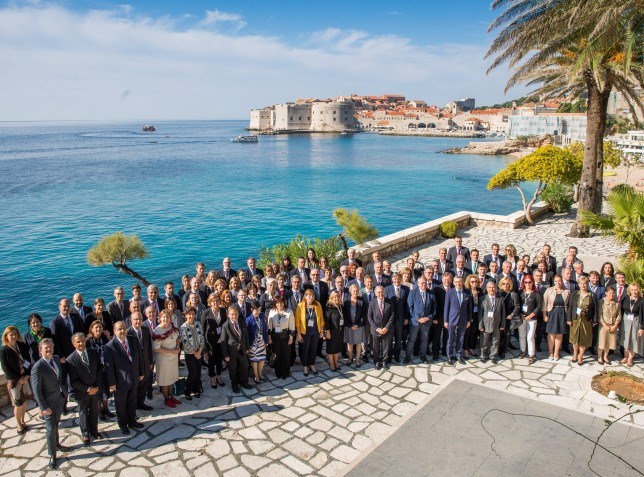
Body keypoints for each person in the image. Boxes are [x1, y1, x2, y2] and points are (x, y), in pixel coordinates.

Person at [31, 338, 70, 469]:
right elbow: (36, 391)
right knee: (50, 428)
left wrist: (64, 394)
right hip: (48, 403)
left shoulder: (56, 358)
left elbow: (59, 378)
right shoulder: (37, 367)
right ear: (40, 350)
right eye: (46, 348)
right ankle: (52, 455)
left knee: (56, 424)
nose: (49, 349)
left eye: (50, 347)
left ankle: (57, 444)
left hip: (59, 398)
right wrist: (43, 407)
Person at [103, 321, 145, 435]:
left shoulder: (133, 339)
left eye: (123, 328)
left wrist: (141, 372)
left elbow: (140, 357)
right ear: (114, 331)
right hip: (120, 381)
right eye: (119, 329)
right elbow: (109, 367)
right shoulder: (109, 346)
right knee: (121, 404)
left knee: (132, 401)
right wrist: (112, 383)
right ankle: (123, 424)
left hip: (134, 377)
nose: (122, 331)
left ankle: (132, 421)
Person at [66, 332, 101, 446]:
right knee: (83, 412)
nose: (81, 343)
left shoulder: (93, 352)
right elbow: (73, 380)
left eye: (82, 341)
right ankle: (85, 434)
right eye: (78, 342)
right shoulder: (70, 360)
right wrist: (87, 389)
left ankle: (94, 430)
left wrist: (95, 386)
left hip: (95, 388)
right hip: (82, 391)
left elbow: (99, 369)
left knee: (94, 410)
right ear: (73, 344)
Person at [50, 297, 83, 410]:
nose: (66, 308)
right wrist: (60, 356)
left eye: (68, 306)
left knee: (77, 377)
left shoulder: (75, 317)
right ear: (59, 307)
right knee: (63, 381)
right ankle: (63, 406)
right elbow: (55, 341)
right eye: (64, 306)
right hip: (64, 356)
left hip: (77, 353)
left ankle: (79, 398)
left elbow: (81, 332)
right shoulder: (55, 322)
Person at [0, 326, 32, 435]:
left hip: (24, 378)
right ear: (6, 336)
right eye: (11, 334)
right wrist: (20, 378)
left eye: (15, 334)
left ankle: (23, 421)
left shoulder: (21, 345)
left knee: (25, 401)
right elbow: (5, 368)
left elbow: (27, 360)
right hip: (14, 381)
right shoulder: (4, 350)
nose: (13, 336)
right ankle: (18, 425)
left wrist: (27, 375)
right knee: (18, 404)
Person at [152, 310, 182, 408]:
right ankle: (166, 399)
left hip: (173, 357)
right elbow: (156, 348)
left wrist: (177, 344)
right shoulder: (157, 331)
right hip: (163, 358)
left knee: (172, 378)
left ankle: (171, 396)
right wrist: (171, 351)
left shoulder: (172, 326)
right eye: (163, 317)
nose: (166, 319)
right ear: (160, 318)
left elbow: (176, 337)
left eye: (167, 317)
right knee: (165, 380)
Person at [85, 320, 113, 421]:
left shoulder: (104, 337)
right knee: (97, 392)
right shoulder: (88, 341)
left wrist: (109, 337)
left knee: (105, 390)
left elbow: (110, 348)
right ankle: (99, 411)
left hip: (105, 368)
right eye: (96, 327)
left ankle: (106, 408)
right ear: (92, 329)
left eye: (100, 327)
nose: (98, 329)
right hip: (94, 370)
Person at [220, 306, 252, 392]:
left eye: (235, 314)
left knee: (244, 367)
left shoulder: (242, 322)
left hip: (243, 349)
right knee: (233, 369)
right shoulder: (225, 325)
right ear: (228, 315)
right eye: (232, 314)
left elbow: (246, 336)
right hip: (232, 352)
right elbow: (223, 341)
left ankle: (244, 382)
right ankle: (234, 384)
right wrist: (226, 355)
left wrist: (247, 348)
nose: (234, 316)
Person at [568, 276, 598, 366]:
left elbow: (595, 309)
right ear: (578, 284)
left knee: (583, 339)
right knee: (575, 338)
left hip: (586, 320)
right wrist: (569, 319)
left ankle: (580, 356)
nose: (583, 285)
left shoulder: (592, 295)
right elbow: (570, 307)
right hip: (575, 319)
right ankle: (575, 354)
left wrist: (595, 320)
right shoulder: (574, 293)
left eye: (584, 283)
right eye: (581, 283)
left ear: (587, 284)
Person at [405, 277, 436, 364]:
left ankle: (423, 356)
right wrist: (418, 318)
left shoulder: (431, 293)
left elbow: (434, 308)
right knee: (412, 339)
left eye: (425, 282)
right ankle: (408, 356)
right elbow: (410, 307)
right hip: (415, 322)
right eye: (422, 283)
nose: (424, 284)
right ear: (418, 284)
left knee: (424, 339)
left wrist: (429, 317)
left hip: (426, 321)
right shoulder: (412, 292)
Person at [127, 312, 154, 410]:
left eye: (140, 319)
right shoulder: (128, 332)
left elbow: (149, 347)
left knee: (144, 384)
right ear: (131, 320)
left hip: (146, 362)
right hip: (135, 365)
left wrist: (151, 361)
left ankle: (141, 403)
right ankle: (133, 406)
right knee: (135, 386)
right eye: (135, 319)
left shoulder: (145, 330)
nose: (138, 321)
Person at [444, 276, 472, 365]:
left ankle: (458, 355)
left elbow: (470, 308)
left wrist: (469, 320)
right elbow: (446, 307)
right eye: (456, 282)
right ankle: (450, 356)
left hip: (463, 319)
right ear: (453, 283)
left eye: (459, 281)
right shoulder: (450, 292)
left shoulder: (467, 293)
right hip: (452, 319)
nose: (458, 283)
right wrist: (445, 320)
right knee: (450, 339)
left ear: (462, 282)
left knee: (460, 338)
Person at [295, 289, 324, 376]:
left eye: (312, 295)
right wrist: (298, 334)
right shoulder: (300, 306)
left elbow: (321, 319)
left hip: (315, 331)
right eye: (309, 295)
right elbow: (297, 322)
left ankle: (312, 364)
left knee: (313, 349)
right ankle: (305, 366)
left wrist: (321, 331)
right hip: (304, 332)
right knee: (305, 349)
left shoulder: (317, 304)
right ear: (305, 296)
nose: (311, 297)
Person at [543, 276, 571, 362]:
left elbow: (569, 305)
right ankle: (550, 352)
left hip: (562, 314)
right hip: (552, 313)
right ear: (553, 282)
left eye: (559, 281)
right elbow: (544, 303)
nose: (557, 283)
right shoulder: (549, 290)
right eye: (556, 281)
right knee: (551, 334)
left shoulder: (566, 291)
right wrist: (544, 315)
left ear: (562, 282)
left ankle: (556, 352)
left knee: (559, 334)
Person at [180, 306, 205, 400]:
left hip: (199, 351)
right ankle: (187, 391)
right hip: (190, 354)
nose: (191, 316)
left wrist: (200, 351)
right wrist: (195, 353)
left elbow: (202, 337)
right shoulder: (183, 327)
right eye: (189, 314)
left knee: (198, 372)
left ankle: (196, 389)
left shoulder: (198, 324)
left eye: (193, 314)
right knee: (193, 373)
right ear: (185, 315)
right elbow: (185, 342)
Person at [267, 296, 295, 379]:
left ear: (284, 303)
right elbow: (269, 325)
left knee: (286, 354)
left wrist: (291, 337)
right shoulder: (272, 311)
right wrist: (269, 337)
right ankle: (278, 372)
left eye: (281, 302)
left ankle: (285, 373)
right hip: (275, 336)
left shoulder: (289, 312)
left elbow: (292, 326)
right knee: (277, 354)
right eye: (278, 303)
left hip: (285, 335)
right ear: (275, 303)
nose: (280, 304)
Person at [202, 293, 226, 388]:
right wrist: (205, 349)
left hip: (221, 340)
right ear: (210, 302)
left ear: (219, 301)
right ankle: (212, 378)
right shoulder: (206, 312)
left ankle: (219, 376)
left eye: (217, 300)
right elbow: (202, 330)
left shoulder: (223, 311)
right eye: (213, 301)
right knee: (211, 361)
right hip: (210, 342)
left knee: (219, 360)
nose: (215, 302)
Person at [368, 285, 395, 370]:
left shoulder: (389, 302)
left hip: (386, 329)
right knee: (375, 347)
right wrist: (377, 328)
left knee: (385, 346)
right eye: (378, 292)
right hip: (375, 330)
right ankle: (377, 361)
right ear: (375, 293)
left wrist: (386, 327)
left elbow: (392, 316)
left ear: (384, 292)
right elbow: (369, 317)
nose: (380, 294)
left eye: (382, 292)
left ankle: (384, 361)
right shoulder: (372, 303)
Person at [385, 273, 410, 363]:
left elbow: (408, 304)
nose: (397, 280)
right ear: (392, 279)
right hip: (390, 318)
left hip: (401, 318)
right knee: (389, 338)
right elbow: (385, 304)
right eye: (395, 279)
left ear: (401, 279)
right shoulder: (387, 289)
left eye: (398, 278)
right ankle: (389, 355)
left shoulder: (406, 289)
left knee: (399, 338)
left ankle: (397, 355)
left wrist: (406, 317)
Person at [479, 281, 505, 364]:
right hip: (486, 324)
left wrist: (502, 324)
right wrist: (480, 325)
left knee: (495, 341)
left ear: (496, 288)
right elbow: (480, 313)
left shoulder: (500, 299)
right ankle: (483, 355)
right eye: (489, 287)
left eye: (493, 287)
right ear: (487, 289)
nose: (491, 289)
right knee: (484, 341)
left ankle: (493, 356)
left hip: (497, 324)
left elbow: (503, 312)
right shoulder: (482, 299)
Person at [519, 275, 542, 364]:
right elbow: (517, 304)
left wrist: (530, 316)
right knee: (522, 336)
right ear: (523, 283)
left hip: (532, 319)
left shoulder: (536, 294)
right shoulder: (521, 293)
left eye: (529, 282)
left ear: (532, 282)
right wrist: (520, 314)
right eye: (526, 282)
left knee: (530, 337)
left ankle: (531, 355)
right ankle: (523, 351)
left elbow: (539, 307)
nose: (528, 284)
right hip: (522, 318)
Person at [620, 284, 643, 368]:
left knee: (633, 340)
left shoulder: (641, 301)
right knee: (625, 339)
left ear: (638, 290)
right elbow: (621, 309)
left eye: (636, 290)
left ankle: (630, 359)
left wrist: (642, 328)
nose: (634, 292)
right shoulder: (626, 298)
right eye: (632, 290)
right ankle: (625, 357)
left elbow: (643, 315)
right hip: (625, 320)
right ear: (629, 290)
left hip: (635, 321)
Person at [344, 284, 367, 367]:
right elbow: (344, 315)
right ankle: (350, 358)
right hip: (349, 326)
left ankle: (357, 359)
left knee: (358, 343)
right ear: (350, 291)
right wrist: (350, 325)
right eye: (354, 291)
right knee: (350, 343)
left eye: (357, 291)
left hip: (359, 326)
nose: (355, 292)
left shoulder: (362, 301)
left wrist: (357, 325)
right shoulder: (346, 301)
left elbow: (364, 315)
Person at [246, 300, 268, 383]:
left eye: (260, 310)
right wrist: (248, 346)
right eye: (257, 310)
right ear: (252, 309)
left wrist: (266, 340)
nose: (259, 312)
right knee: (254, 360)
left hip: (262, 341)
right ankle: (256, 376)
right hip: (253, 344)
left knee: (262, 358)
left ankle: (260, 374)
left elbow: (265, 329)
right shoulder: (248, 320)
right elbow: (247, 335)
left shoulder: (261, 316)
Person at [498, 277, 521, 358]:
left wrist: (512, 315)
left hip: (508, 317)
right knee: (499, 335)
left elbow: (517, 306)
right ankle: (498, 350)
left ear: (510, 284)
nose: (505, 285)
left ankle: (503, 351)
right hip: (499, 317)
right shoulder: (498, 293)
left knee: (507, 335)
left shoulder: (513, 294)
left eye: (507, 283)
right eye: (503, 283)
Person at [597, 287, 621, 366]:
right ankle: (599, 357)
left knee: (609, 343)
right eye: (609, 293)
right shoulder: (601, 302)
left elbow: (619, 315)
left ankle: (605, 357)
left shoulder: (616, 302)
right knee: (602, 342)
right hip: (603, 325)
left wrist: (615, 325)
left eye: (613, 293)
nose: (611, 294)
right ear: (606, 293)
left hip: (613, 325)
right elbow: (600, 315)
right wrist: (604, 325)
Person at [324, 291, 345, 371]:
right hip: (331, 332)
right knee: (331, 348)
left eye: (338, 297)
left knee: (337, 348)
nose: (336, 298)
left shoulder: (340, 306)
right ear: (331, 298)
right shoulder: (329, 307)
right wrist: (327, 332)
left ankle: (336, 362)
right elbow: (326, 321)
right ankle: (331, 363)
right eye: (335, 297)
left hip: (339, 331)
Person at [464, 274, 483, 358]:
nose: (474, 283)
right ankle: (465, 349)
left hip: (477, 314)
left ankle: (471, 347)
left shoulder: (480, 291)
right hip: (468, 315)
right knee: (467, 332)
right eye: (472, 282)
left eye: (476, 281)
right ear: (469, 282)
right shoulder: (466, 291)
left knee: (474, 332)